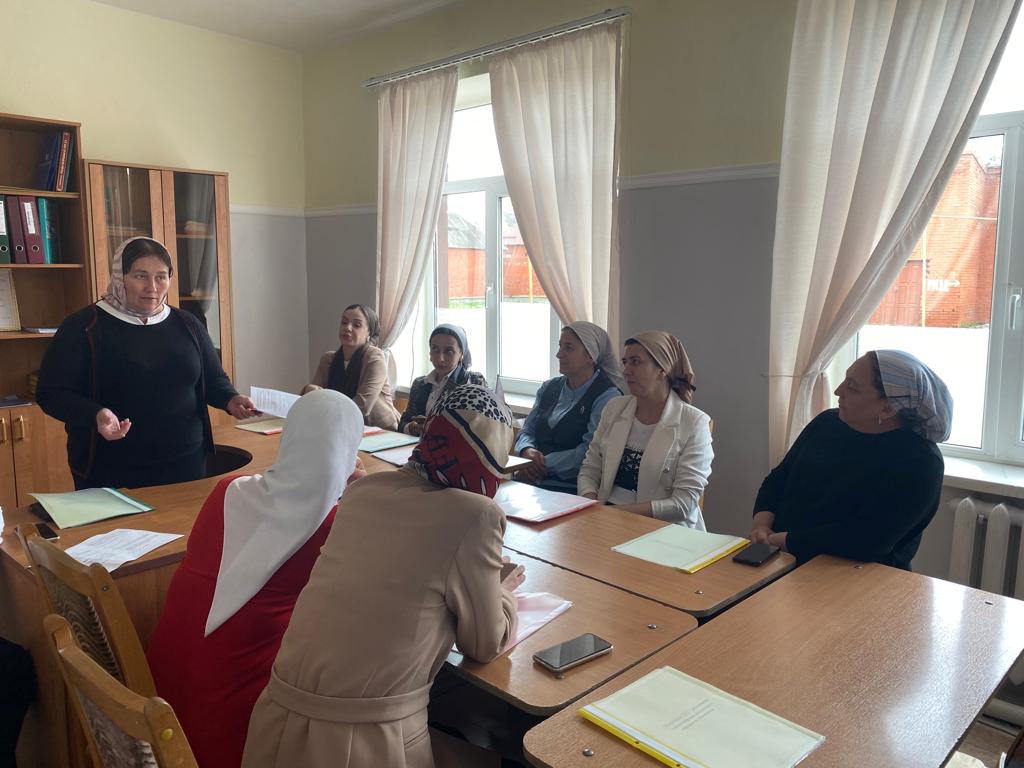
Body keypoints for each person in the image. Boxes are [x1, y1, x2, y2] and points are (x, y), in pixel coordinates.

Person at [242, 383, 523, 768]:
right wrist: (503, 591)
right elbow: (485, 644)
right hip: (364, 744)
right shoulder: (476, 515)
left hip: (275, 728)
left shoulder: (364, 491)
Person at [146, 389, 365, 768]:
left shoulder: (226, 492)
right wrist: (353, 492)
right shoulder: (334, 528)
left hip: (160, 712)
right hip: (234, 738)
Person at [36, 237, 258, 490]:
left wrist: (230, 399)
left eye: (161, 276)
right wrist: (95, 414)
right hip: (109, 467)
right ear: (120, 277)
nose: (152, 287)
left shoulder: (188, 324)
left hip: (186, 462)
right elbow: (51, 393)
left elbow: (213, 379)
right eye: (140, 276)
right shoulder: (84, 327)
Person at [750, 350, 951, 570]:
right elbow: (778, 480)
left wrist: (782, 540)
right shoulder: (826, 423)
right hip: (781, 555)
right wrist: (761, 526)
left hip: (858, 574)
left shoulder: (921, 462)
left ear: (887, 408)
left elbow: (867, 540)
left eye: (852, 387)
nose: (838, 391)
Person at [578, 331, 713, 528]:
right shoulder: (615, 408)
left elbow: (683, 504)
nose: (626, 370)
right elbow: (590, 469)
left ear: (662, 369)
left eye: (636, 362)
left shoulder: (694, 422)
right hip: (604, 518)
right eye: (625, 362)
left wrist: (612, 514)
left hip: (663, 528)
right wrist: (590, 501)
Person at [514, 322, 623, 492]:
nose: (559, 354)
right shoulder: (548, 387)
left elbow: (590, 451)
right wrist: (526, 451)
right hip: (530, 478)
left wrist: (539, 463)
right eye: (560, 346)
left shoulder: (607, 397)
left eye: (569, 348)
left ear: (590, 356)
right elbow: (527, 430)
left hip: (571, 487)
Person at [304, 304, 400, 430]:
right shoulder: (328, 359)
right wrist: (310, 390)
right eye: (344, 322)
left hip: (379, 429)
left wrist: (324, 403)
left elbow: (362, 406)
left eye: (357, 325)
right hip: (338, 426)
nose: (347, 328)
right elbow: (313, 400)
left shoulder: (374, 357)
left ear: (369, 333)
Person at [397, 323, 485, 435]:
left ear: (461, 354)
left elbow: (481, 428)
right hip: (418, 445)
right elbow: (403, 423)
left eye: (449, 351)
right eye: (435, 349)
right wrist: (410, 428)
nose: (440, 358)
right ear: (430, 353)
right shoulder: (420, 384)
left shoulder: (472, 382)